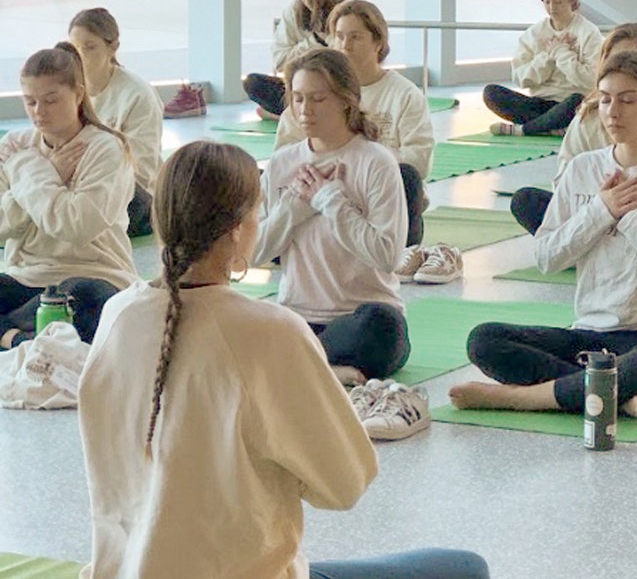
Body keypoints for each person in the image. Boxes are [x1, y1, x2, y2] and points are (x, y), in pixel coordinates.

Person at [78, 140, 490, 578]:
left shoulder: (117, 313)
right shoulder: (267, 330)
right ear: (238, 229)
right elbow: (344, 484)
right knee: (464, 568)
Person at [454, 50, 637, 423]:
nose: (613, 111)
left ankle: (526, 398)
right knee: (485, 340)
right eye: (606, 99)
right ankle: (618, 394)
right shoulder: (584, 169)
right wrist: (601, 211)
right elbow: (548, 257)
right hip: (590, 337)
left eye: (628, 100)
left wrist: (634, 221)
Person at [255, 49, 417, 414]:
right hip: (297, 318)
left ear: (346, 101)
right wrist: (294, 208)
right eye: (297, 99)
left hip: (361, 320)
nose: (305, 110)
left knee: (382, 325)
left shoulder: (376, 162)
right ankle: (322, 368)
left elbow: (387, 256)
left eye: (317, 99)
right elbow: (254, 252)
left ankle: (300, 367)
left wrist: (330, 200)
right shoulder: (283, 164)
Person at [269, 0, 454, 284]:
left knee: (405, 175)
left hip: (375, 193)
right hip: (319, 191)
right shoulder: (313, 90)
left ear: (378, 42)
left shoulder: (404, 94)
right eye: (339, 36)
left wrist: (359, 163)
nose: (345, 44)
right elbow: (286, 153)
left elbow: (419, 160)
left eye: (355, 37)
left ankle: (403, 247)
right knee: (264, 180)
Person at [509, 22, 637, 235]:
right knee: (527, 202)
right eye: (617, 61)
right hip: (596, 215)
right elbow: (566, 187)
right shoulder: (590, 116)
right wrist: (602, 205)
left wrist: (634, 205)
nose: (626, 68)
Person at [0, 43, 138, 349]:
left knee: (84, 298)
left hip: (93, 274)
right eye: (30, 102)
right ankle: (24, 338)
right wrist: (47, 170)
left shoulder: (105, 148)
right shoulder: (15, 145)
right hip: (28, 277)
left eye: (50, 100)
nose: (39, 112)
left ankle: (15, 334)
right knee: (52, 311)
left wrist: (29, 172)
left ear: (78, 94)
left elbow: (75, 227)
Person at [68, 7, 165, 237]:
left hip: (132, 195)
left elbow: (142, 169)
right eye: (75, 49)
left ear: (113, 47)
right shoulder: (68, 90)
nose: (81, 57)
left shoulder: (138, 94)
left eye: (90, 48)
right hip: (81, 184)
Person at [482, 0, 602, 137]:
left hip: (569, 103)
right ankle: (550, 127)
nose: (552, 8)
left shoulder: (589, 32)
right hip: (538, 103)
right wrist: (547, 58)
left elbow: (590, 81)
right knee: (491, 93)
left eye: (558, 2)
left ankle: (524, 130)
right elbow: (520, 78)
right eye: (547, 2)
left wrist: (562, 54)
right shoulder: (534, 33)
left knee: (578, 101)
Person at [244, 0, 347, 120]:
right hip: (300, 86)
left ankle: (285, 117)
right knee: (253, 83)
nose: (309, 1)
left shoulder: (346, 9)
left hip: (336, 87)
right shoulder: (293, 11)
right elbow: (280, 63)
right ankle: (300, 115)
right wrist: (314, 42)